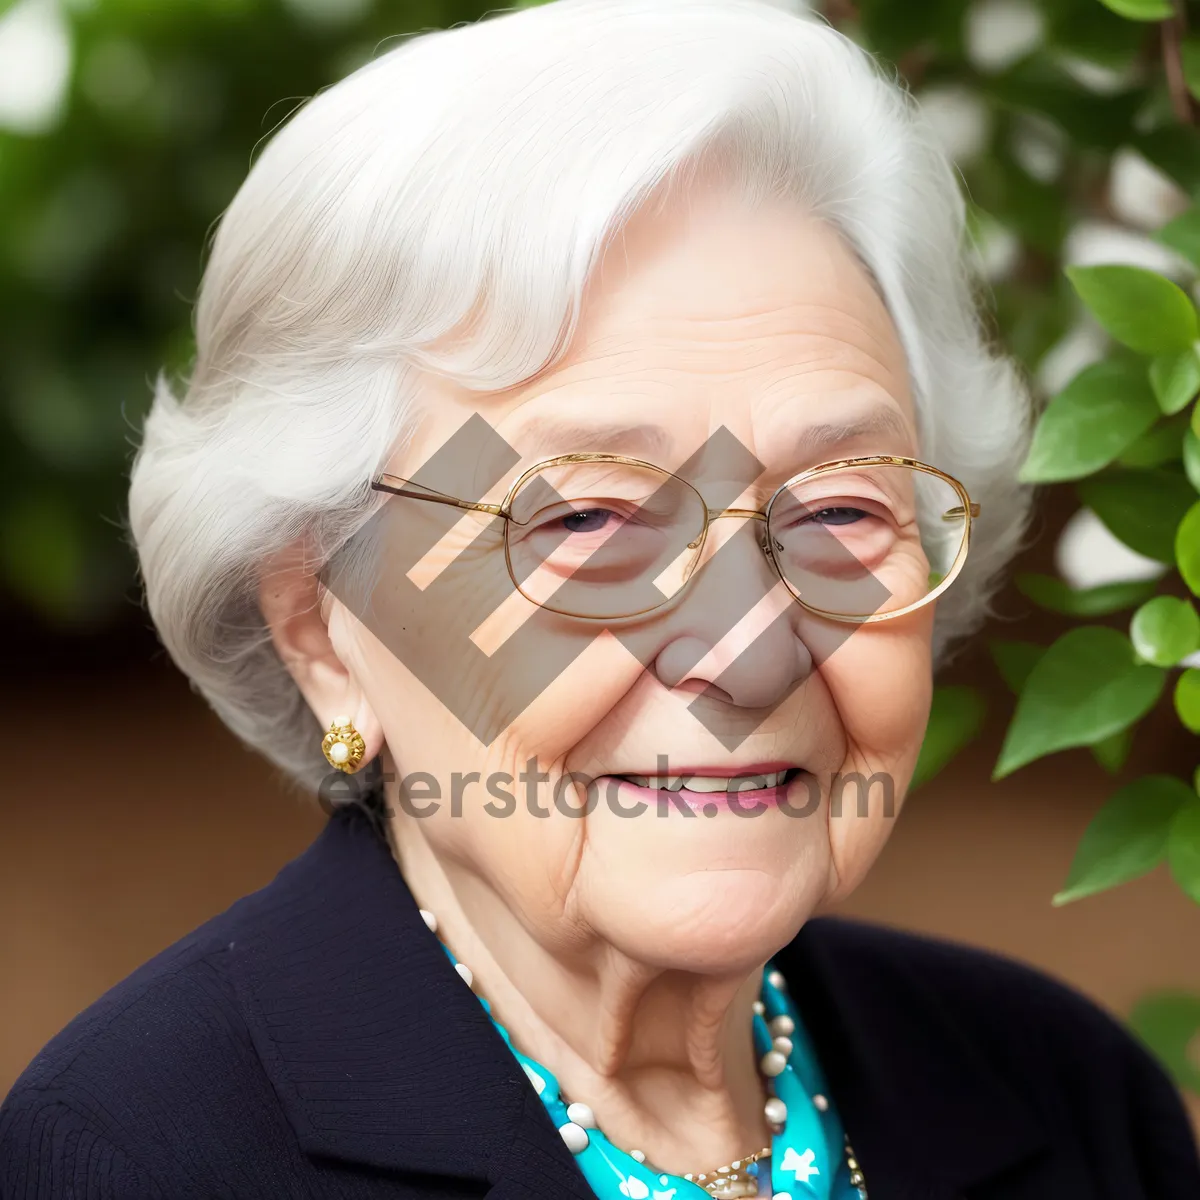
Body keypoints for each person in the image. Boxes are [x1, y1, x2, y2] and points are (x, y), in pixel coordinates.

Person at [3, 1, 1198, 1196]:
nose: (745, 651)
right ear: (325, 629)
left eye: (839, 510)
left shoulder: (1069, 1099)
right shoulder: (135, 1157)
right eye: (584, 523)